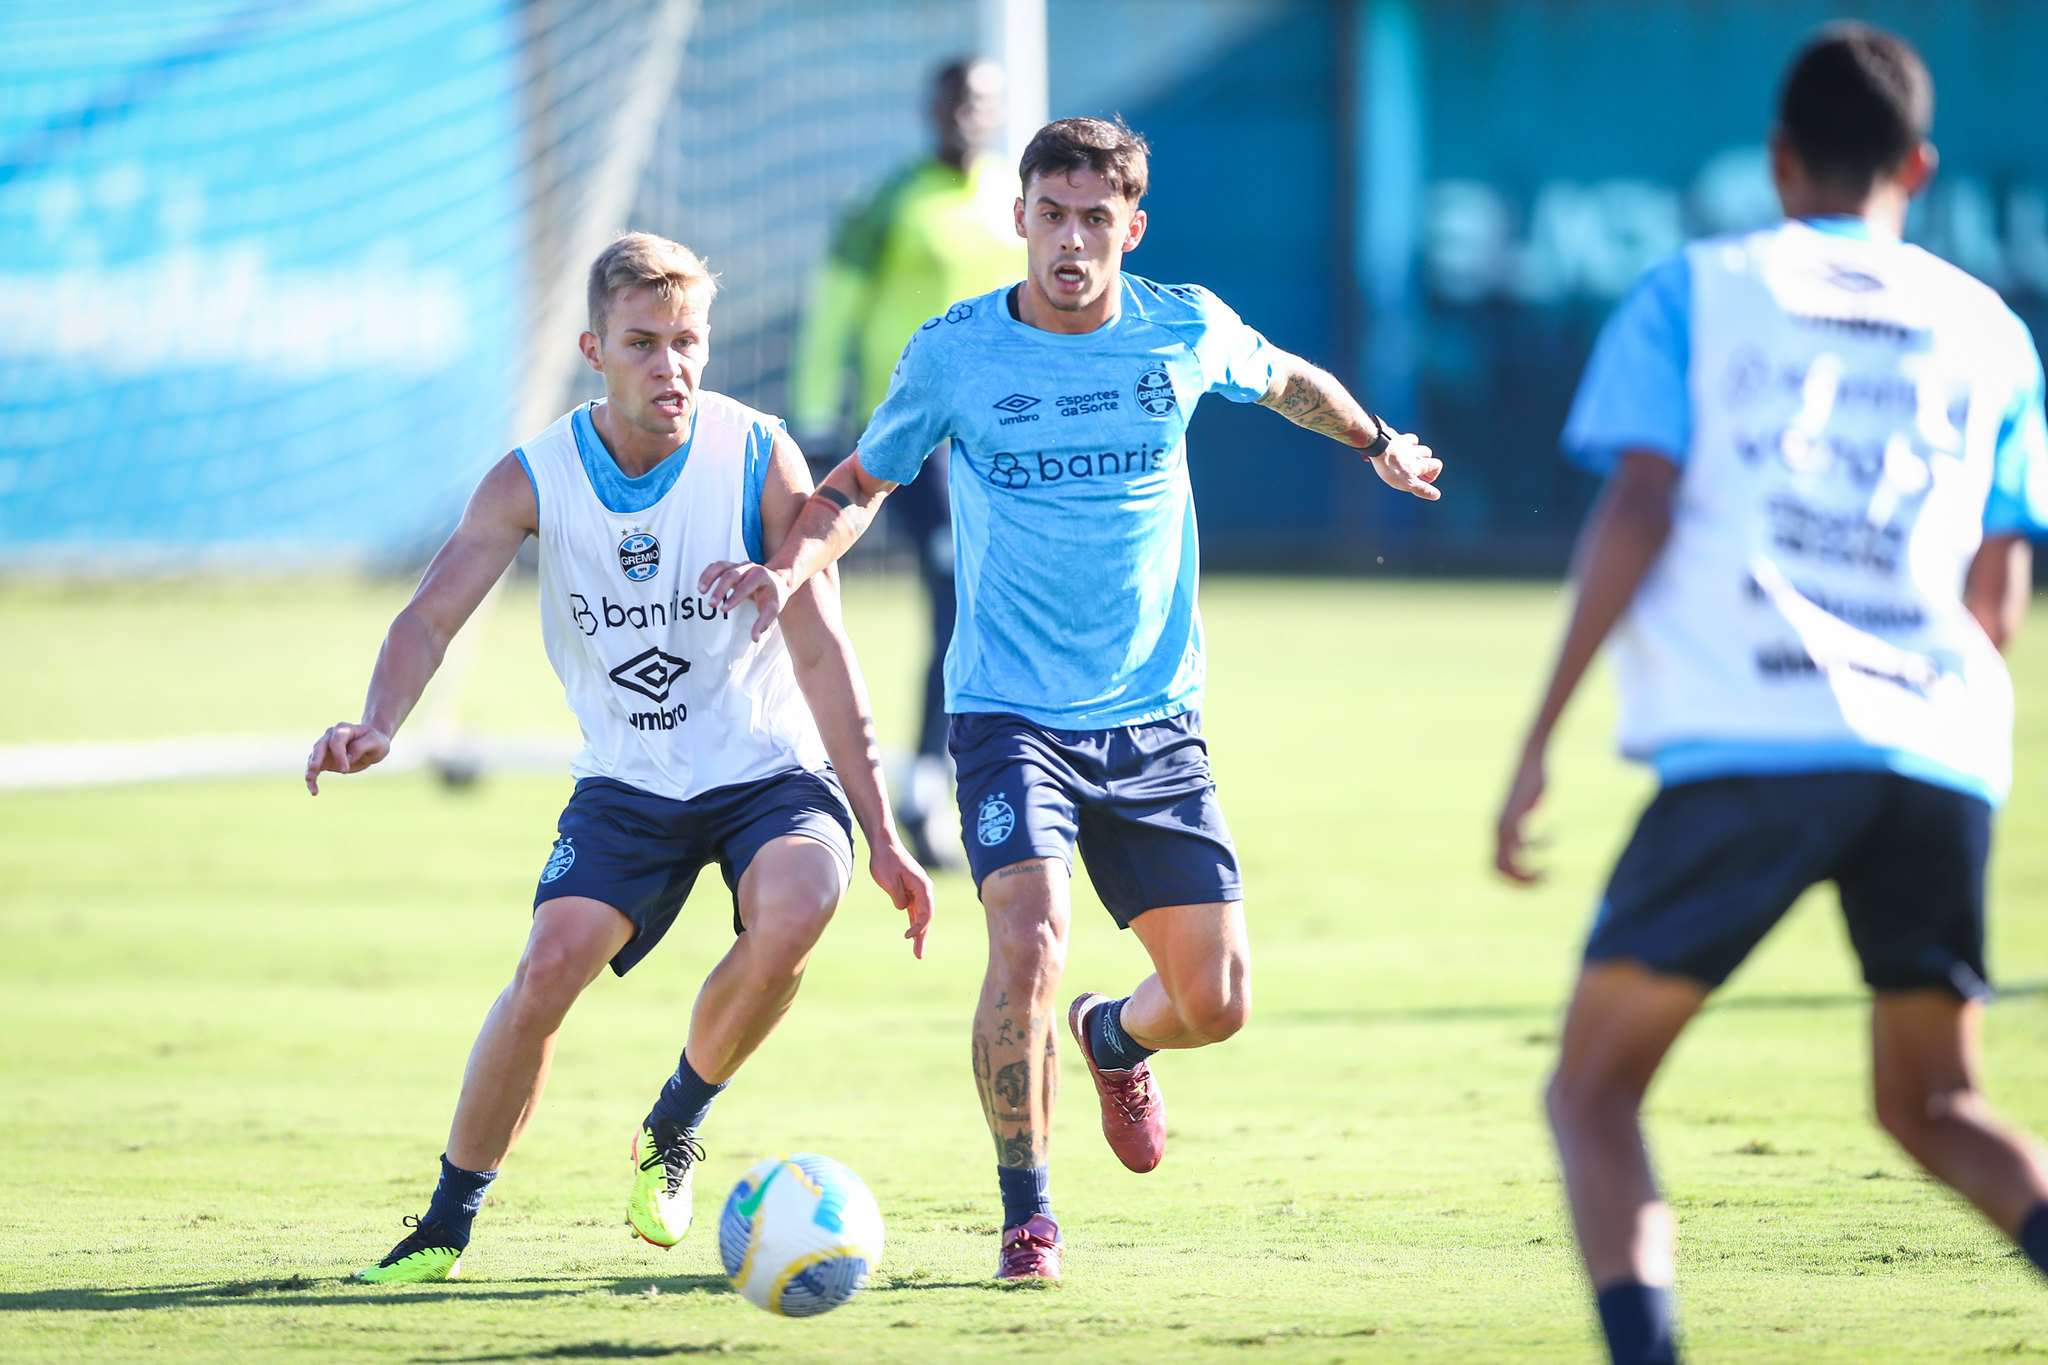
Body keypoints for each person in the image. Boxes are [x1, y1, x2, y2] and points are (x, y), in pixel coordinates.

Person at [700, 117, 1443, 1279]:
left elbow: (1287, 379)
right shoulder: (955, 353)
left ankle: (1111, 1033)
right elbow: (857, 483)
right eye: (1051, 214)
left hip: (1153, 717)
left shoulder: (1181, 327)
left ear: (1130, 229)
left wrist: (1377, 444)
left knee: (1217, 1002)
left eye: (1097, 219)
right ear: (1020, 220)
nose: (1071, 240)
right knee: (1026, 937)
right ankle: (1027, 1217)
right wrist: (787, 565)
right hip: (1007, 711)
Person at [1494, 26, 2048, 1365]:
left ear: (1778, 161)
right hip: (1936, 747)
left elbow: (1638, 503)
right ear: (1918, 164)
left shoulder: (1698, 289)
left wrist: (1541, 735)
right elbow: (2000, 593)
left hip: (1755, 745)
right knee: (1934, 1104)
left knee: (1592, 1088)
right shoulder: (1992, 330)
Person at [305, 232, 933, 1284]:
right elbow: (430, 615)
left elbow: (823, 651)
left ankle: (673, 1123)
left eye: (686, 341)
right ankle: (445, 1229)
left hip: (766, 768)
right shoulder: (533, 477)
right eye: (642, 343)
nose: (670, 366)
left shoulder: (756, 455)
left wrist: (882, 833)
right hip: (629, 780)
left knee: (798, 906)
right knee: (547, 970)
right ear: (594, 348)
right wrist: (379, 720)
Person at [789, 56, 1026, 867]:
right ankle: (926, 787)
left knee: (990, 607)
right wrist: (819, 423)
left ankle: (973, 777)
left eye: (983, 99)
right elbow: (834, 317)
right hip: (914, 444)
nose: (969, 111)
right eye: (957, 97)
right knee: (956, 594)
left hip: (1003, 444)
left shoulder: (1015, 203)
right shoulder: (890, 203)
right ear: (934, 105)